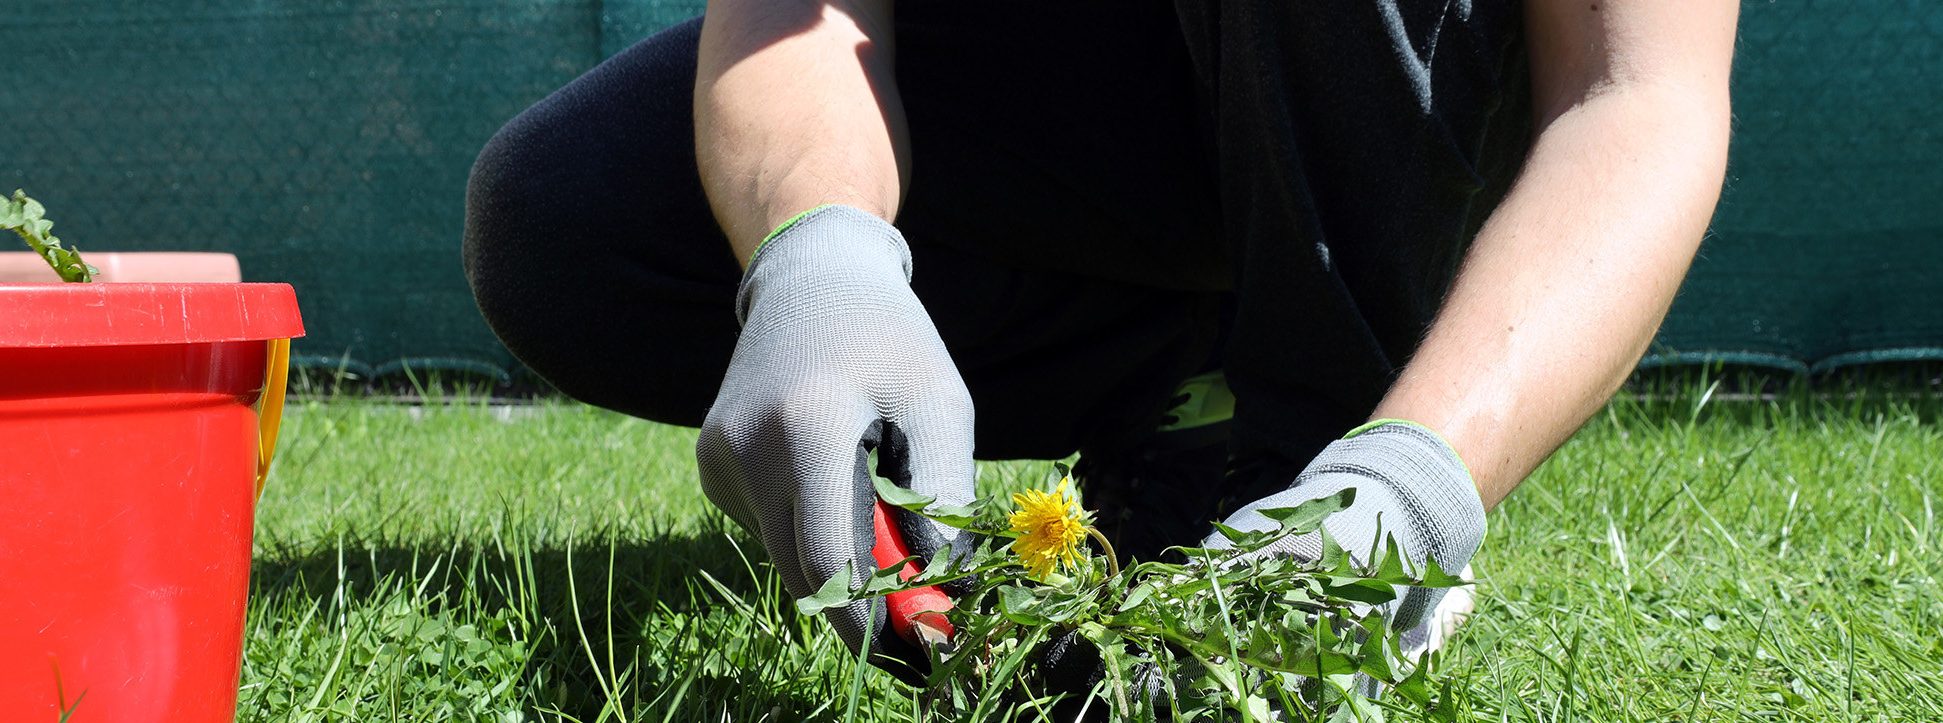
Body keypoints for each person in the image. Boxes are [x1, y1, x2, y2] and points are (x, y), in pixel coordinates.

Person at [464, 0, 1736, 680]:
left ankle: (1324, 468)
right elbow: (797, 12)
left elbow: (1640, 92)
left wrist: (1416, 479)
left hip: (1414, 81)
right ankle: (1185, 398)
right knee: (565, 218)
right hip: (1098, 84)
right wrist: (817, 256)